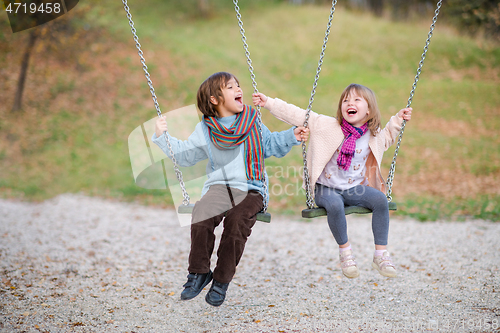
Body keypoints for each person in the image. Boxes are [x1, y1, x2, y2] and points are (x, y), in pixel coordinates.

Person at [152, 72, 309, 306]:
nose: (238, 89)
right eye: (230, 87)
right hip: (220, 187)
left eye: (238, 85)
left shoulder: (252, 120)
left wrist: (292, 135)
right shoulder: (206, 129)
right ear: (215, 99)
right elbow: (185, 155)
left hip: (251, 188)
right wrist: (161, 136)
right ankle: (198, 273)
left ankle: (221, 281)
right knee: (202, 213)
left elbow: (269, 145)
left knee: (236, 222)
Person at [252, 84, 411, 279]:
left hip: (354, 189)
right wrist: (269, 102)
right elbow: (298, 114)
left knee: (380, 200)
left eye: (356, 100)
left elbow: (387, 137)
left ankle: (381, 254)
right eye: (345, 100)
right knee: (334, 204)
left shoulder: (373, 134)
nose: (349, 103)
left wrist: (398, 120)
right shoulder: (325, 125)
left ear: (369, 110)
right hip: (325, 189)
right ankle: (345, 253)